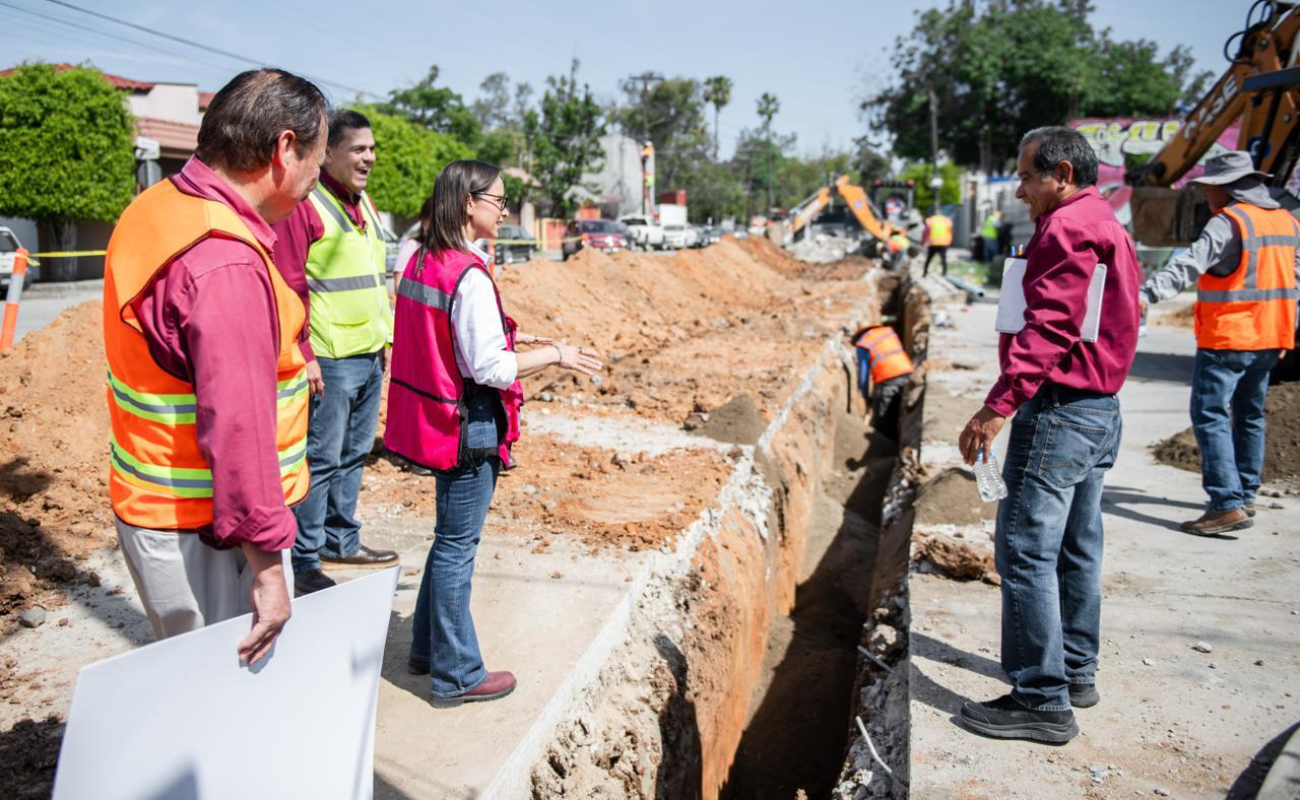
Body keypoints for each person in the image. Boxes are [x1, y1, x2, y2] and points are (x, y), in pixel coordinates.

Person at [102, 69, 329, 665]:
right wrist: (268, 570)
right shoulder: (224, 262)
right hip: (208, 531)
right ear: (284, 149)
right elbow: (238, 426)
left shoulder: (161, 206)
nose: (317, 179)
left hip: (162, 503)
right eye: (318, 158)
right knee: (221, 695)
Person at [384, 160, 602, 705]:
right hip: (467, 422)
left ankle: (427, 649)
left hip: (431, 417)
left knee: (447, 539)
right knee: (459, 546)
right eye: (499, 201)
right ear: (468, 203)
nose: (504, 211)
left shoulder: (420, 259)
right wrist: (554, 353)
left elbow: (443, 331)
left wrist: (507, 331)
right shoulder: (470, 274)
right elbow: (491, 369)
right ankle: (457, 673)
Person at [956, 126, 1141, 743]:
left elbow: (1051, 327)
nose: (1020, 190)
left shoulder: (1067, 227)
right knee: (1076, 547)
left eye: (1029, 177)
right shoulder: (1106, 221)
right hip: (1097, 409)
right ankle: (1075, 672)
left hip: (1061, 412)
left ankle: (1040, 698)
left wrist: (996, 406)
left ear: (1062, 173)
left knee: (1027, 549)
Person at [270, 109, 399, 595]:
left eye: (371, 148)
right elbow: (291, 285)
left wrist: (385, 338)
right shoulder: (308, 206)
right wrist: (303, 353)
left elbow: (372, 279)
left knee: (355, 454)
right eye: (358, 149)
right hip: (330, 357)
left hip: (368, 352)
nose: (369, 157)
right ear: (328, 154)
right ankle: (303, 558)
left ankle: (340, 540)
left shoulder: (366, 206)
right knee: (321, 459)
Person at [1139, 151, 1299, 535]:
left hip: (1230, 335)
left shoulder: (1229, 222)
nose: (1206, 196)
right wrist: (1289, 330)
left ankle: (1225, 504)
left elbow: (1189, 264)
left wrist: (1147, 294)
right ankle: (1244, 494)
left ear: (1226, 190)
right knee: (1250, 414)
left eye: (1209, 188)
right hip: (1270, 336)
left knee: (1209, 414)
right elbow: (1295, 279)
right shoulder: (1287, 221)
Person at [852, 325, 914, 440]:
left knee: (883, 416)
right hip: (907, 372)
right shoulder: (887, 332)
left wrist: (865, 396)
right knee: (898, 411)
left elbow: (863, 373)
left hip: (888, 378)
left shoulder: (863, 344)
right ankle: (896, 438)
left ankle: (884, 445)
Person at [923, 210, 954, 276]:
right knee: (943, 259)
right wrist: (949, 242)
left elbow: (926, 231)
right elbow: (950, 231)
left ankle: (925, 272)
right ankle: (944, 273)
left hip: (933, 243)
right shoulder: (946, 220)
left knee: (929, 259)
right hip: (943, 243)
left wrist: (923, 241)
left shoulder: (931, 220)